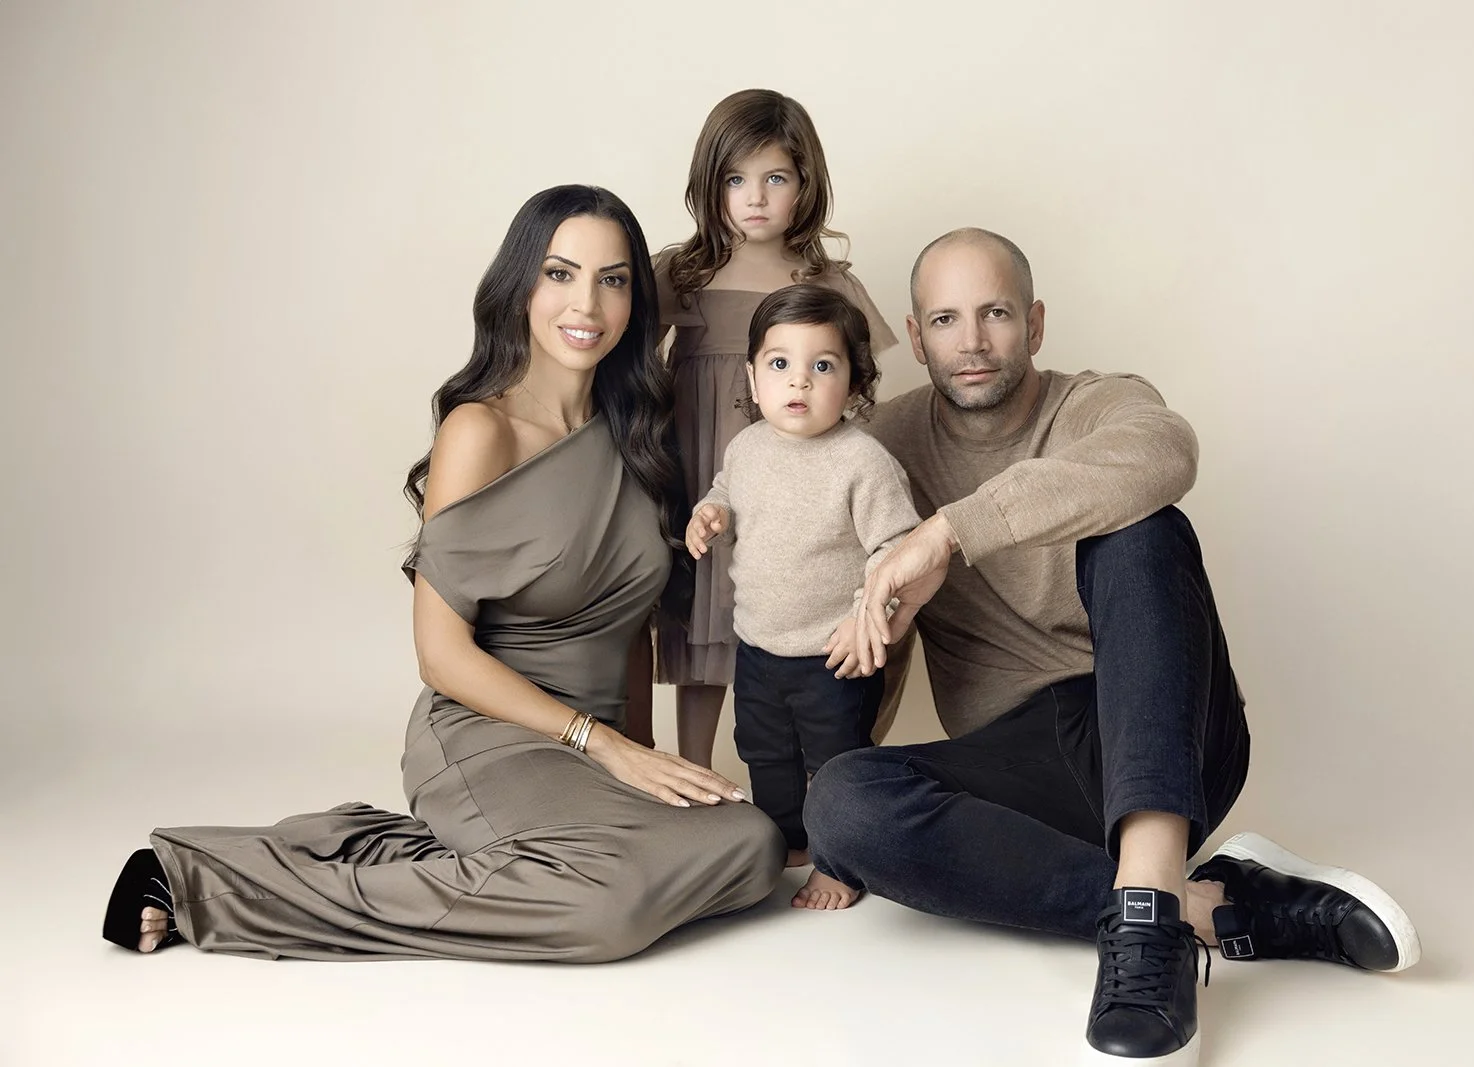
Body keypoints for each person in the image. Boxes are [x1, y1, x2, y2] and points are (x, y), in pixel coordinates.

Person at [99, 185, 785, 963]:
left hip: (592, 748)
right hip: (490, 733)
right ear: (521, 284)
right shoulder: (480, 430)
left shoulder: (638, 434)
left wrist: (644, 754)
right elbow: (440, 654)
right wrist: (603, 746)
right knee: (606, 907)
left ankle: (369, 849)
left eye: (614, 278)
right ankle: (205, 880)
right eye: (560, 274)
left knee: (750, 843)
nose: (586, 301)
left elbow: (627, 627)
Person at [805, 228, 1421, 1065]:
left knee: (1139, 531)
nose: (973, 340)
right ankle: (1201, 905)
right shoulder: (884, 445)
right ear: (915, 337)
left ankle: (1144, 925)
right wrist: (846, 829)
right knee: (840, 801)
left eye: (996, 312)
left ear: (1036, 322)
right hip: (1033, 767)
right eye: (946, 319)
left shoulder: (1097, 402)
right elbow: (876, 617)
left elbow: (1166, 452)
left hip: (1171, 729)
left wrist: (949, 533)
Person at [635, 88, 898, 768]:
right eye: (735, 179)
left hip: (794, 489)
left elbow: (863, 388)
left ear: (804, 184)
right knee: (701, 617)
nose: (755, 196)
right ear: (710, 184)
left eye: (775, 177)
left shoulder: (825, 282)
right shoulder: (682, 271)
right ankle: (695, 771)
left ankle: (817, 783)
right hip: (697, 467)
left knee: (777, 610)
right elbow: (623, 356)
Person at [684, 284, 921, 909]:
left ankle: (842, 862)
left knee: (835, 760)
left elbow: (897, 552)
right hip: (759, 643)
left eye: (823, 366)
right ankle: (789, 838)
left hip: (832, 650)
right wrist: (711, 512)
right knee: (764, 749)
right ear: (753, 376)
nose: (800, 382)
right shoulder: (748, 446)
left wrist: (867, 618)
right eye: (780, 363)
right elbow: (726, 490)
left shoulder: (862, 462)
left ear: (855, 381)